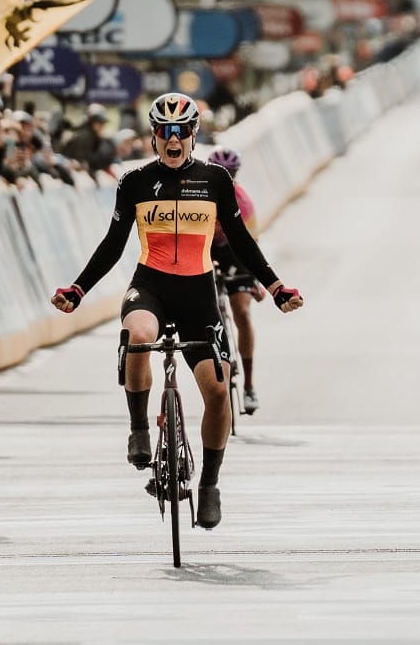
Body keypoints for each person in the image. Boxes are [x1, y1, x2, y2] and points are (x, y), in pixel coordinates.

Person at [50, 92, 303, 530]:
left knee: (219, 393)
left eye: (181, 131)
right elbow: (113, 246)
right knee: (139, 337)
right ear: (153, 136)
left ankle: (208, 485)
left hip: (198, 294)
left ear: (192, 135)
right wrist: (78, 288)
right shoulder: (133, 182)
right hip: (151, 286)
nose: (173, 139)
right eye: (164, 132)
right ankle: (139, 430)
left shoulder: (217, 180)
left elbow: (242, 242)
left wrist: (275, 286)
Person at [206, 147, 267, 415]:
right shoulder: (198, 194)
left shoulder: (244, 202)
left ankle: (249, 385)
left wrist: (255, 278)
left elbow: (251, 244)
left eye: (230, 174)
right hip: (206, 246)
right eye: (221, 173)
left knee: (241, 311)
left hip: (235, 251)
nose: (225, 178)